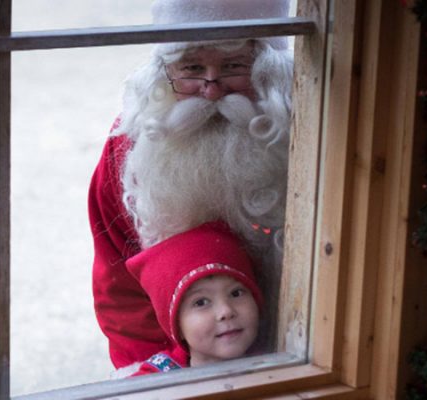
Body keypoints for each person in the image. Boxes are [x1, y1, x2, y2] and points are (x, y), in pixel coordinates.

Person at [88, 0, 293, 373]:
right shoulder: (132, 146)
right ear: (164, 70)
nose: (211, 91)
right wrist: (158, 375)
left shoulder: (298, 132)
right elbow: (118, 286)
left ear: (268, 69)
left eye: (233, 67)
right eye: (192, 69)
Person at [124, 221, 263, 375]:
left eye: (236, 293)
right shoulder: (156, 381)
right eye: (201, 302)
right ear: (176, 326)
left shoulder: (283, 356)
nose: (226, 311)